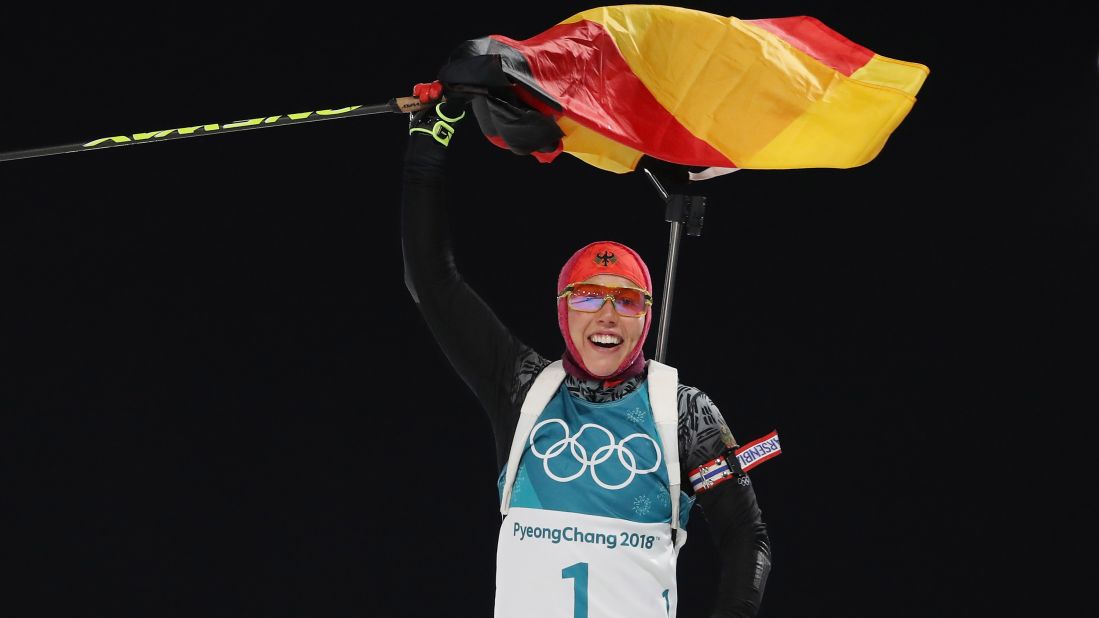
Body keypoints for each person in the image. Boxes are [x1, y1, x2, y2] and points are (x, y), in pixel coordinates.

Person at [401, 93, 772, 618]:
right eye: (588, 296)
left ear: (647, 316)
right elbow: (431, 280)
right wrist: (428, 142)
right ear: (563, 310)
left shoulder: (685, 413)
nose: (606, 315)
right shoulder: (524, 386)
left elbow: (745, 536)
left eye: (626, 300)